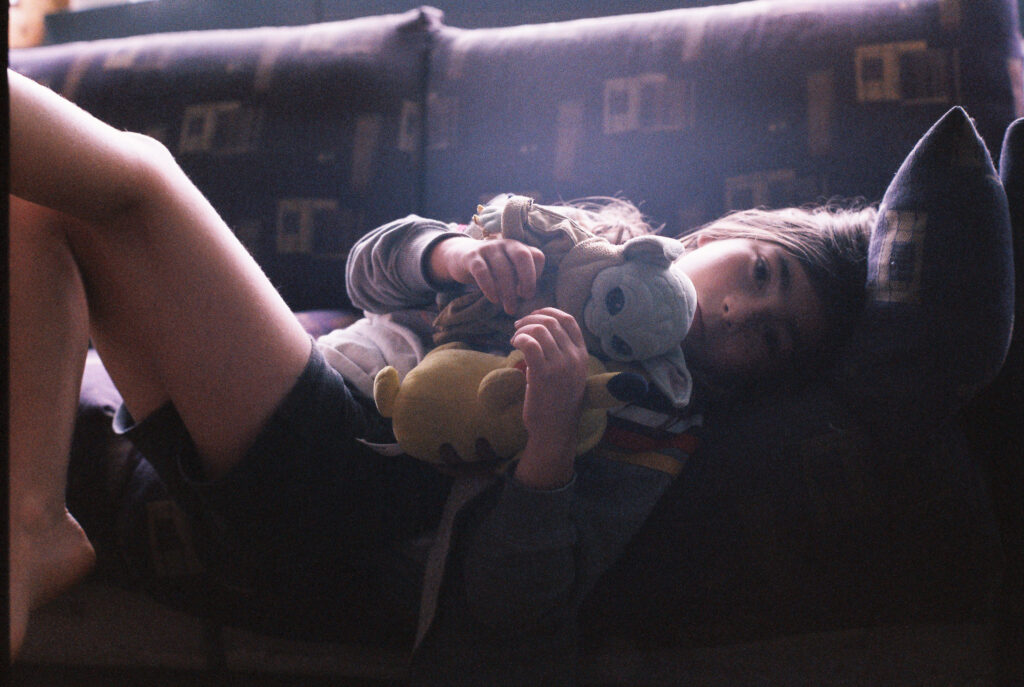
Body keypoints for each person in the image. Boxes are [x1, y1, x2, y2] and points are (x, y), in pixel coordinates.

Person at [8, 68, 871, 682]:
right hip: (320, 391)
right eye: (761, 275)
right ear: (734, 233)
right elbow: (366, 272)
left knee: (140, 173)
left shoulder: (654, 430)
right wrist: (452, 256)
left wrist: (547, 445)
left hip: (357, 484)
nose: (736, 314)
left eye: (771, 340)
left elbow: (512, 608)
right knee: (42, 203)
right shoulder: (590, 235)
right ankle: (35, 516)